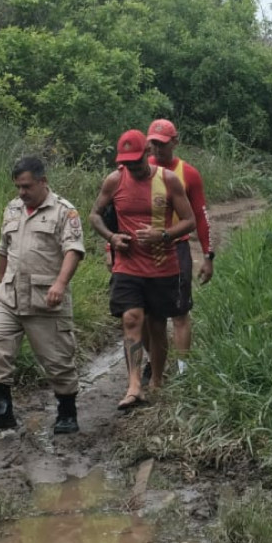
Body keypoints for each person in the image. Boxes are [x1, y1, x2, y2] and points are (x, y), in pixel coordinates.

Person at [0, 156, 86, 434]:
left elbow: (73, 250)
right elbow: (3, 250)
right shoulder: (12, 209)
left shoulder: (63, 211)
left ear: (42, 182)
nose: (22, 193)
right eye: (18, 187)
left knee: (58, 359)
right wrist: (0, 285)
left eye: (26, 186)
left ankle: (67, 413)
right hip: (10, 296)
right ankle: (2, 410)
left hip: (46, 297)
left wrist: (60, 284)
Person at [89, 130, 196, 409]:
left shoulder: (168, 180)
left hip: (162, 265)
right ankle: (134, 384)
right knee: (131, 318)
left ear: (146, 153)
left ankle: (157, 380)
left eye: (136, 161)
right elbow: (94, 215)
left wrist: (163, 235)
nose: (132, 168)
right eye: (126, 162)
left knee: (157, 325)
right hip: (128, 264)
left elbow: (189, 221)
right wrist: (111, 238)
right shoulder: (114, 180)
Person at [143, 119, 214, 380]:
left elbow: (200, 216)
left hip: (176, 247)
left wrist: (208, 256)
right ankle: (153, 362)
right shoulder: (139, 170)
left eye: (162, 144)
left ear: (175, 141)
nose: (157, 149)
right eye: (153, 143)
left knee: (180, 311)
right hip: (142, 250)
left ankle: (184, 371)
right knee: (142, 313)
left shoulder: (189, 174)